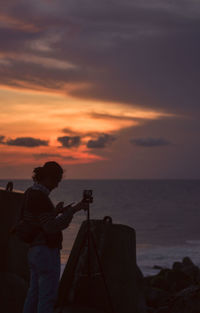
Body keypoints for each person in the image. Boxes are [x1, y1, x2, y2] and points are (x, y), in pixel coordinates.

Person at [22, 161, 88, 313]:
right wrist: (73, 210)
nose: (57, 185)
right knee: (47, 296)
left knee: (33, 294)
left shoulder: (30, 193)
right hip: (45, 250)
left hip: (34, 250)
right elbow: (50, 227)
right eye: (56, 181)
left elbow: (37, 220)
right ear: (47, 178)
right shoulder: (40, 197)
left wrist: (55, 212)